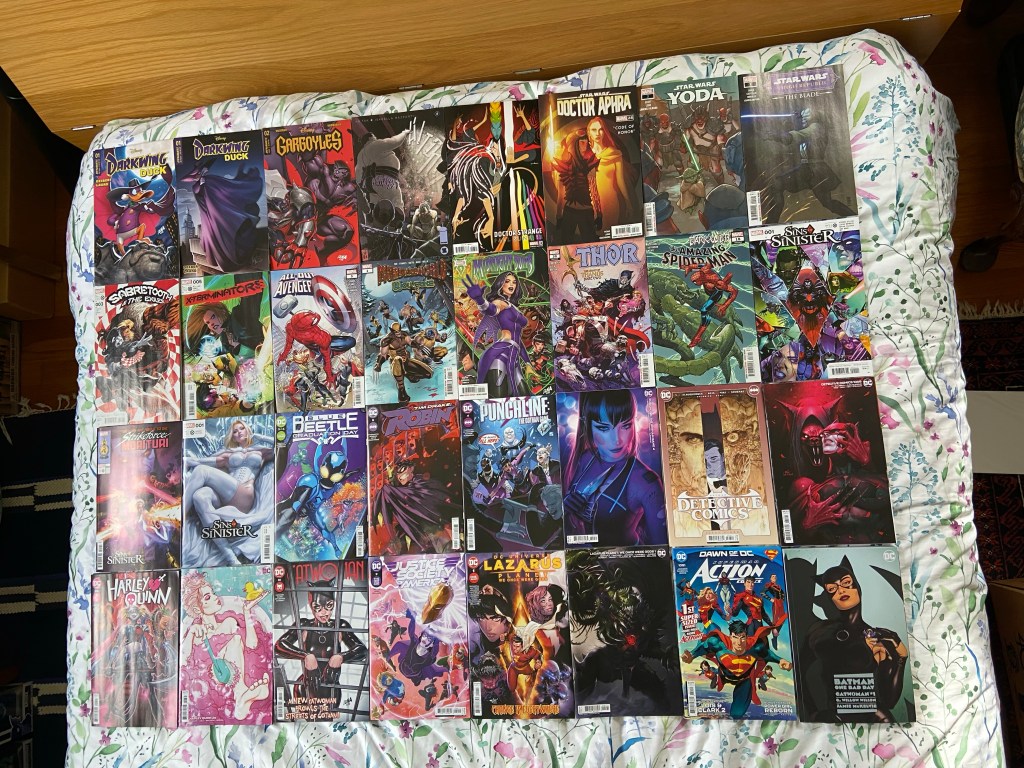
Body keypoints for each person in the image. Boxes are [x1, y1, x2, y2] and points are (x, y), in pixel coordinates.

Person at [562, 390, 667, 545]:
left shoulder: (646, 482)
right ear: (587, 426)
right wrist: (566, 508)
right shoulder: (585, 458)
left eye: (625, 426)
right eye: (604, 428)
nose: (617, 440)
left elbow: (661, 549)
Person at [180, 571, 272, 722]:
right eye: (208, 597)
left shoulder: (229, 622)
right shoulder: (196, 633)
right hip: (211, 686)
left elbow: (252, 646)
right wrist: (191, 633)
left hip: (232, 679)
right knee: (234, 641)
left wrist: (247, 611)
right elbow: (184, 663)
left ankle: (242, 695)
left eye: (213, 593)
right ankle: (242, 695)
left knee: (236, 639)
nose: (216, 597)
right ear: (197, 609)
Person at [463, 271, 532, 397]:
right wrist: (480, 300)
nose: (511, 284)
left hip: (514, 356)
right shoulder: (500, 302)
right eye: (507, 281)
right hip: (500, 355)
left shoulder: (513, 306)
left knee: (526, 399)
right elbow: (491, 309)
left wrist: (527, 362)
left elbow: (517, 340)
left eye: (514, 282)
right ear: (501, 284)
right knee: (498, 400)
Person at [587, 116, 638, 231]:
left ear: (604, 131)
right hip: (589, 203)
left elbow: (620, 181)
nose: (597, 133)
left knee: (609, 233)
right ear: (589, 132)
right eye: (594, 130)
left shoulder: (614, 153)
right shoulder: (584, 155)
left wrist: (628, 203)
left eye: (600, 129)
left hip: (611, 202)